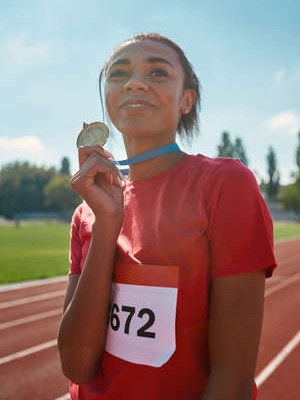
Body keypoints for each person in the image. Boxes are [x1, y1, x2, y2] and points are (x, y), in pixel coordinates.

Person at [57, 33, 277, 400]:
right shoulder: (87, 212)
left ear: (186, 101)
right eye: (119, 73)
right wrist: (107, 225)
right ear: (106, 98)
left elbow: (232, 381)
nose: (135, 82)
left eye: (158, 73)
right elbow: (77, 366)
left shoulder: (223, 184)